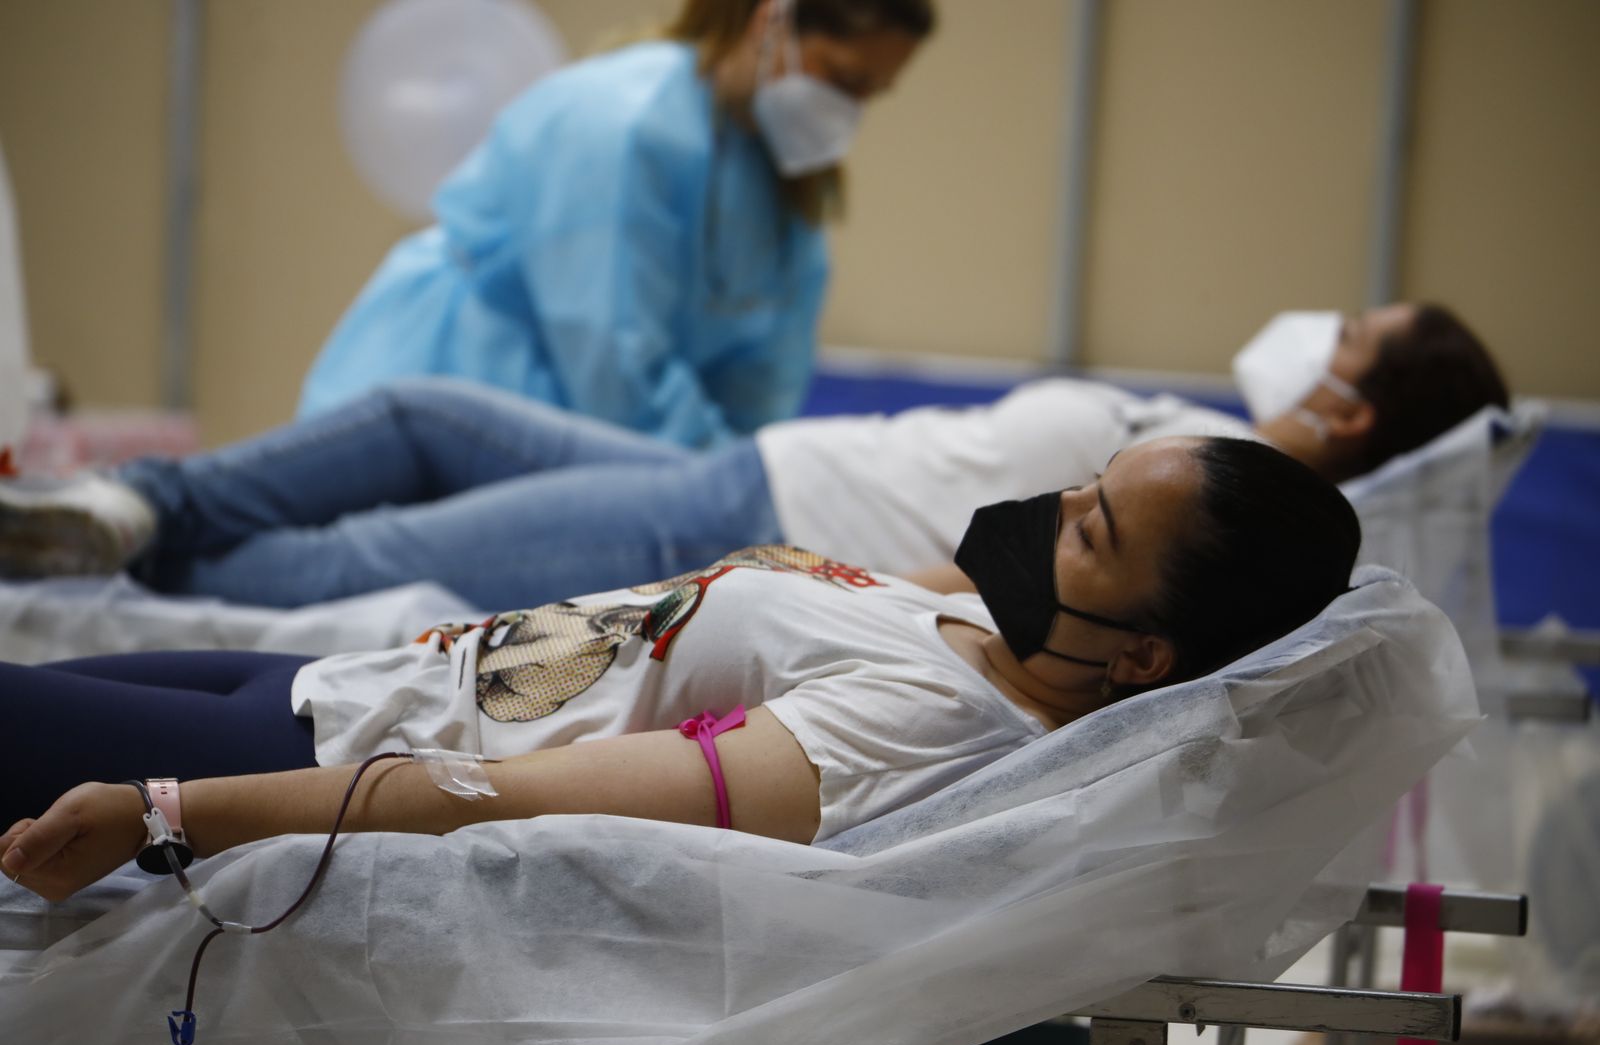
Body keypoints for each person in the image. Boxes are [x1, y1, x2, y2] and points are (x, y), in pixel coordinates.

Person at [0, 435, 1361, 902]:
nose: (1051, 506)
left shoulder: (908, 729)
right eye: (1084, 483)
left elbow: (510, 798)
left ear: (1144, 650)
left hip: (306, 768)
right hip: (338, 686)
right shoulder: (987, 631)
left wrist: (174, 811)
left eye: (1093, 526)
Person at [0, 301, 1506, 611]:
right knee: (421, 416)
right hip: (748, 462)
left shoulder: (1219, 491)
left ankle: (100, 574)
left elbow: (984, 595)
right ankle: (136, 506)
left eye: (1352, 331)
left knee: (357, 563)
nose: (1321, 318)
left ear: (1355, 407)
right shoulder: (1212, 452)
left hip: (751, 514)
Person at [297, 0, 933, 445]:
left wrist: (752, 490)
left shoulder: (788, 194)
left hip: (583, 447)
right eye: (843, 78)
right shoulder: (622, 123)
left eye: (872, 92)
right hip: (439, 386)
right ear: (772, 17)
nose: (849, 111)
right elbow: (616, 368)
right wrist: (727, 497)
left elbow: (765, 384)